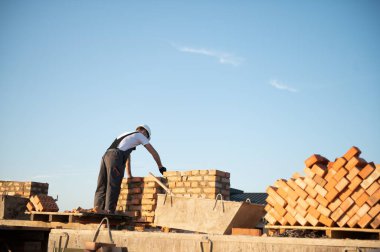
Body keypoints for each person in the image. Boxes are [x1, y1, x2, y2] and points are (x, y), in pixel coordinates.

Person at [94, 124, 167, 213]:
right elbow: (153, 152)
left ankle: (97, 209)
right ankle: (109, 211)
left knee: (102, 185)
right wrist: (160, 166)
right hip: (115, 157)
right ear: (144, 132)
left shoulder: (126, 134)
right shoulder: (140, 135)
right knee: (113, 185)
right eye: (146, 137)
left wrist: (129, 174)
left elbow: (127, 155)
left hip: (106, 156)